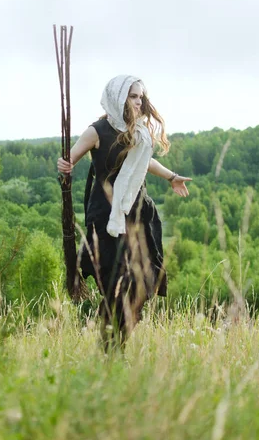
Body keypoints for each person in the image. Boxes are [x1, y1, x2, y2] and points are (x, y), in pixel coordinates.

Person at [57, 75, 191, 349]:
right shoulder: (97, 131)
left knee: (139, 284)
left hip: (138, 213)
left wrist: (171, 177)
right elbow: (69, 160)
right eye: (133, 96)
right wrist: (64, 165)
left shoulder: (138, 131)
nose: (139, 102)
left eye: (141, 97)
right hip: (106, 220)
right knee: (114, 285)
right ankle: (110, 348)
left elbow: (144, 162)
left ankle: (116, 342)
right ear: (119, 97)